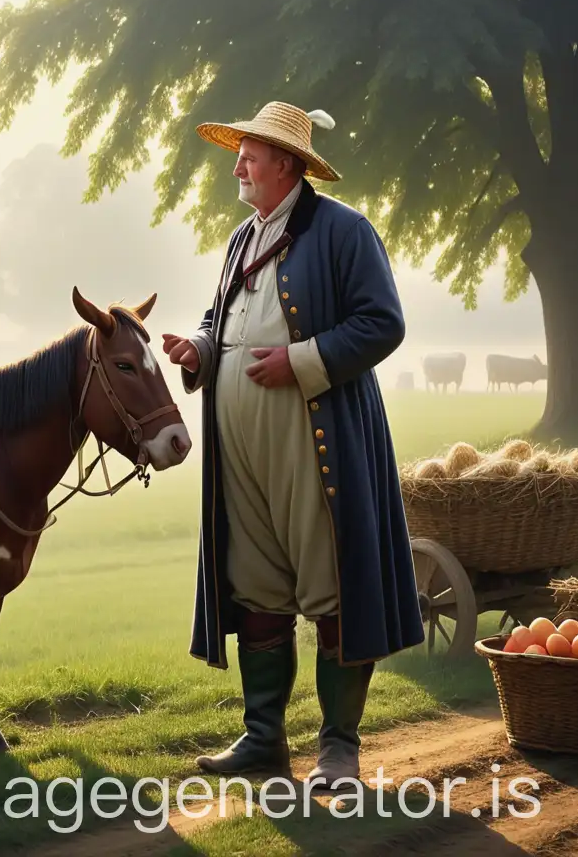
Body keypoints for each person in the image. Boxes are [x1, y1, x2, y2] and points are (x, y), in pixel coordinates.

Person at [162, 101, 424, 789]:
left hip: (316, 443)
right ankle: (263, 739)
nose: (239, 163)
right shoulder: (240, 238)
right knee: (256, 589)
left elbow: (383, 324)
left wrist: (301, 361)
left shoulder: (345, 231)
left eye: (251, 152)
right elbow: (222, 317)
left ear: (287, 163)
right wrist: (198, 344)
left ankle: (338, 747)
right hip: (240, 453)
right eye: (241, 151)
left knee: (331, 584)